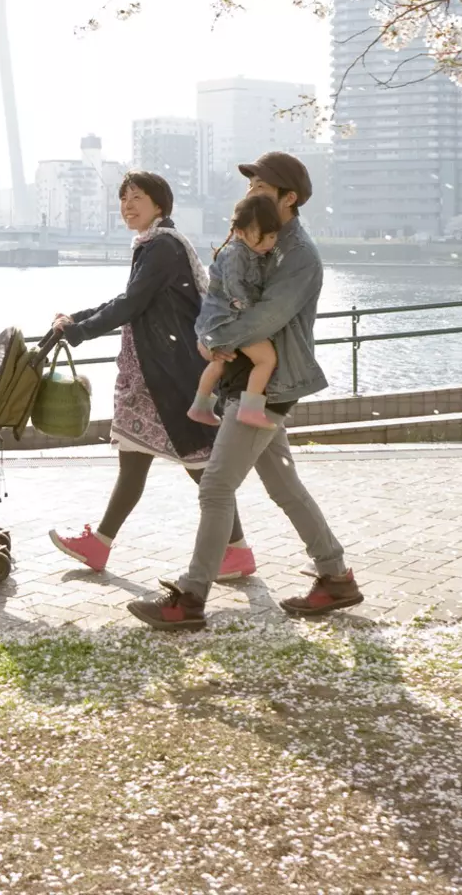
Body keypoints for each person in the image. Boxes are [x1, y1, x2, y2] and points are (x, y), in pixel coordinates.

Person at [127, 151, 362, 632]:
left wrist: (211, 339)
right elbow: (223, 292)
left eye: (261, 186)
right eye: (251, 184)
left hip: (271, 383)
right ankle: (336, 577)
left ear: (289, 198)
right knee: (284, 487)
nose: (252, 191)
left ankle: (190, 598)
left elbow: (265, 319)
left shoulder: (298, 256)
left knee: (215, 486)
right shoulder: (253, 236)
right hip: (248, 377)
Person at [46, 170, 255, 580]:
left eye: (137, 197)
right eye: (123, 199)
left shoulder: (162, 247)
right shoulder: (153, 245)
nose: (127, 206)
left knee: (199, 463)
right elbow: (129, 299)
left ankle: (237, 550)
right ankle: (100, 545)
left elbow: (132, 303)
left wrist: (80, 331)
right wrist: (79, 318)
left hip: (170, 375)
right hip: (153, 373)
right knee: (136, 461)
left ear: (159, 205)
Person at [186, 192, 282, 430]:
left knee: (219, 363)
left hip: (218, 322)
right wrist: (252, 312)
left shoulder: (248, 250)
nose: (270, 242)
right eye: (265, 236)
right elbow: (233, 286)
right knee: (266, 359)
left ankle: (200, 406)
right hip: (228, 320)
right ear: (241, 231)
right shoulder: (236, 253)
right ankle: (250, 410)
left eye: (273, 236)